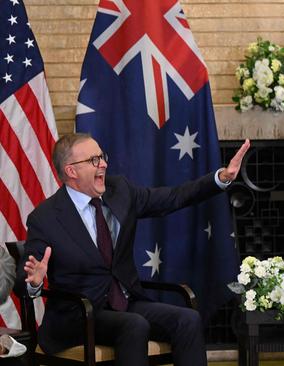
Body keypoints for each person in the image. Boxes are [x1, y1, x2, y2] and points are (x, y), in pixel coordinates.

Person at [20, 133, 250, 366]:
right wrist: (35, 281)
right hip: (79, 314)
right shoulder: (45, 218)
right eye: (94, 160)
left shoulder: (119, 190)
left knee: (188, 319)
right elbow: (24, 277)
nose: (103, 164)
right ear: (71, 171)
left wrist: (220, 178)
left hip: (125, 302)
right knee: (134, 324)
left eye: (102, 156)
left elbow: (172, 198)